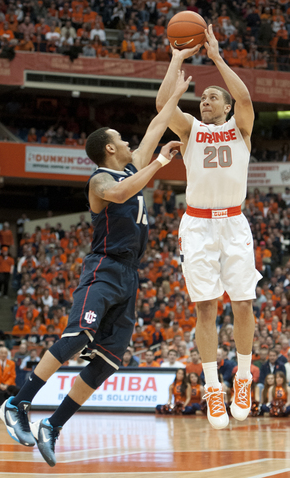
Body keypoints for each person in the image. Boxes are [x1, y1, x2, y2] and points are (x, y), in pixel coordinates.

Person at [0, 70, 191, 467]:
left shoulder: (129, 165)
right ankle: (16, 403)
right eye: (120, 138)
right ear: (108, 149)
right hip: (102, 268)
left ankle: (53, 425)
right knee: (76, 336)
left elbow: (157, 125)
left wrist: (176, 79)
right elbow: (122, 192)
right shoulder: (101, 179)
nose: (127, 141)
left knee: (107, 361)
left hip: (129, 275)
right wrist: (157, 164)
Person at [156, 24, 262, 430]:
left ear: (226, 107)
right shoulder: (192, 130)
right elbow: (164, 105)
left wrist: (216, 58)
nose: (206, 100)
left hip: (234, 222)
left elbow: (246, 96)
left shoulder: (241, 128)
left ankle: (242, 378)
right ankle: (213, 386)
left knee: (243, 302)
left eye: (212, 96)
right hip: (197, 225)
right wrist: (177, 58)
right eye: (202, 98)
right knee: (204, 307)